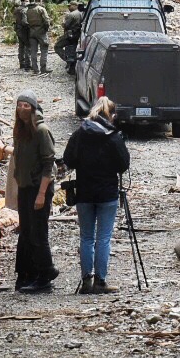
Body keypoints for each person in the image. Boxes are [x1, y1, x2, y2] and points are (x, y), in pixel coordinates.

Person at [61, 96, 130, 294]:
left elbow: (68, 159)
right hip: (107, 192)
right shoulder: (113, 136)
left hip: (84, 191)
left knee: (86, 237)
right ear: (111, 115)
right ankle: (100, 280)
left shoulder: (80, 134)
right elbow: (123, 165)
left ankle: (86, 280)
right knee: (104, 238)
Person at [10, 91, 58, 293]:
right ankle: (26, 273)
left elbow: (49, 164)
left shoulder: (41, 130)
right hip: (25, 187)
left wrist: (41, 194)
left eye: (26, 106)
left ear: (33, 108)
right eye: (19, 105)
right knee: (26, 232)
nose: (22, 109)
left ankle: (45, 273)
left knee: (38, 233)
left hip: (39, 189)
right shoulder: (20, 130)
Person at [26, 0, 51, 74]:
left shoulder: (28, 10)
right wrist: (46, 29)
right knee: (44, 49)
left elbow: (26, 21)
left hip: (31, 31)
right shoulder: (41, 9)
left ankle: (35, 69)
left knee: (33, 51)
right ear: (40, 0)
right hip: (41, 31)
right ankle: (43, 68)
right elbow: (47, 21)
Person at [14, 0, 32, 72]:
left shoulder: (17, 9)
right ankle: (27, 65)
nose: (28, 2)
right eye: (27, 1)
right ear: (23, 1)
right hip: (24, 30)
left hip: (18, 29)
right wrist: (30, 26)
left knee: (21, 47)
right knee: (27, 46)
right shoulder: (25, 10)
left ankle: (21, 63)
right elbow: (24, 22)